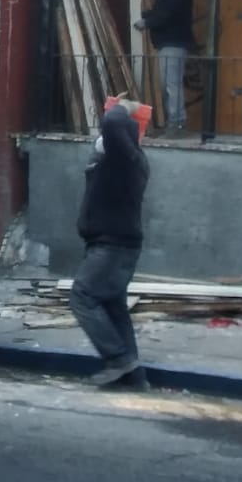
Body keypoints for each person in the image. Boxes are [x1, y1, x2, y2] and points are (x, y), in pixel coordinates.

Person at [69, 99, 150, 388]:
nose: (100, 141)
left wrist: (125, 107)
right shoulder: (121, 162)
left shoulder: (124, 159)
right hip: (115, 244)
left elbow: (114, 123)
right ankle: (133, 375)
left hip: (112, 246)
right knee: (113, 306)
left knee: (83, 295)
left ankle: (118, 359)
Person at [134, 0, 194, 136]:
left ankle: (176, 124)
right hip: (170, 43)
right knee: (169, 84)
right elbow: (162, 11)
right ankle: (174, 122)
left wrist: (147, 22)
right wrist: (148, 15)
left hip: (173, 44)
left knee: (171, 85)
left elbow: (165, 15)